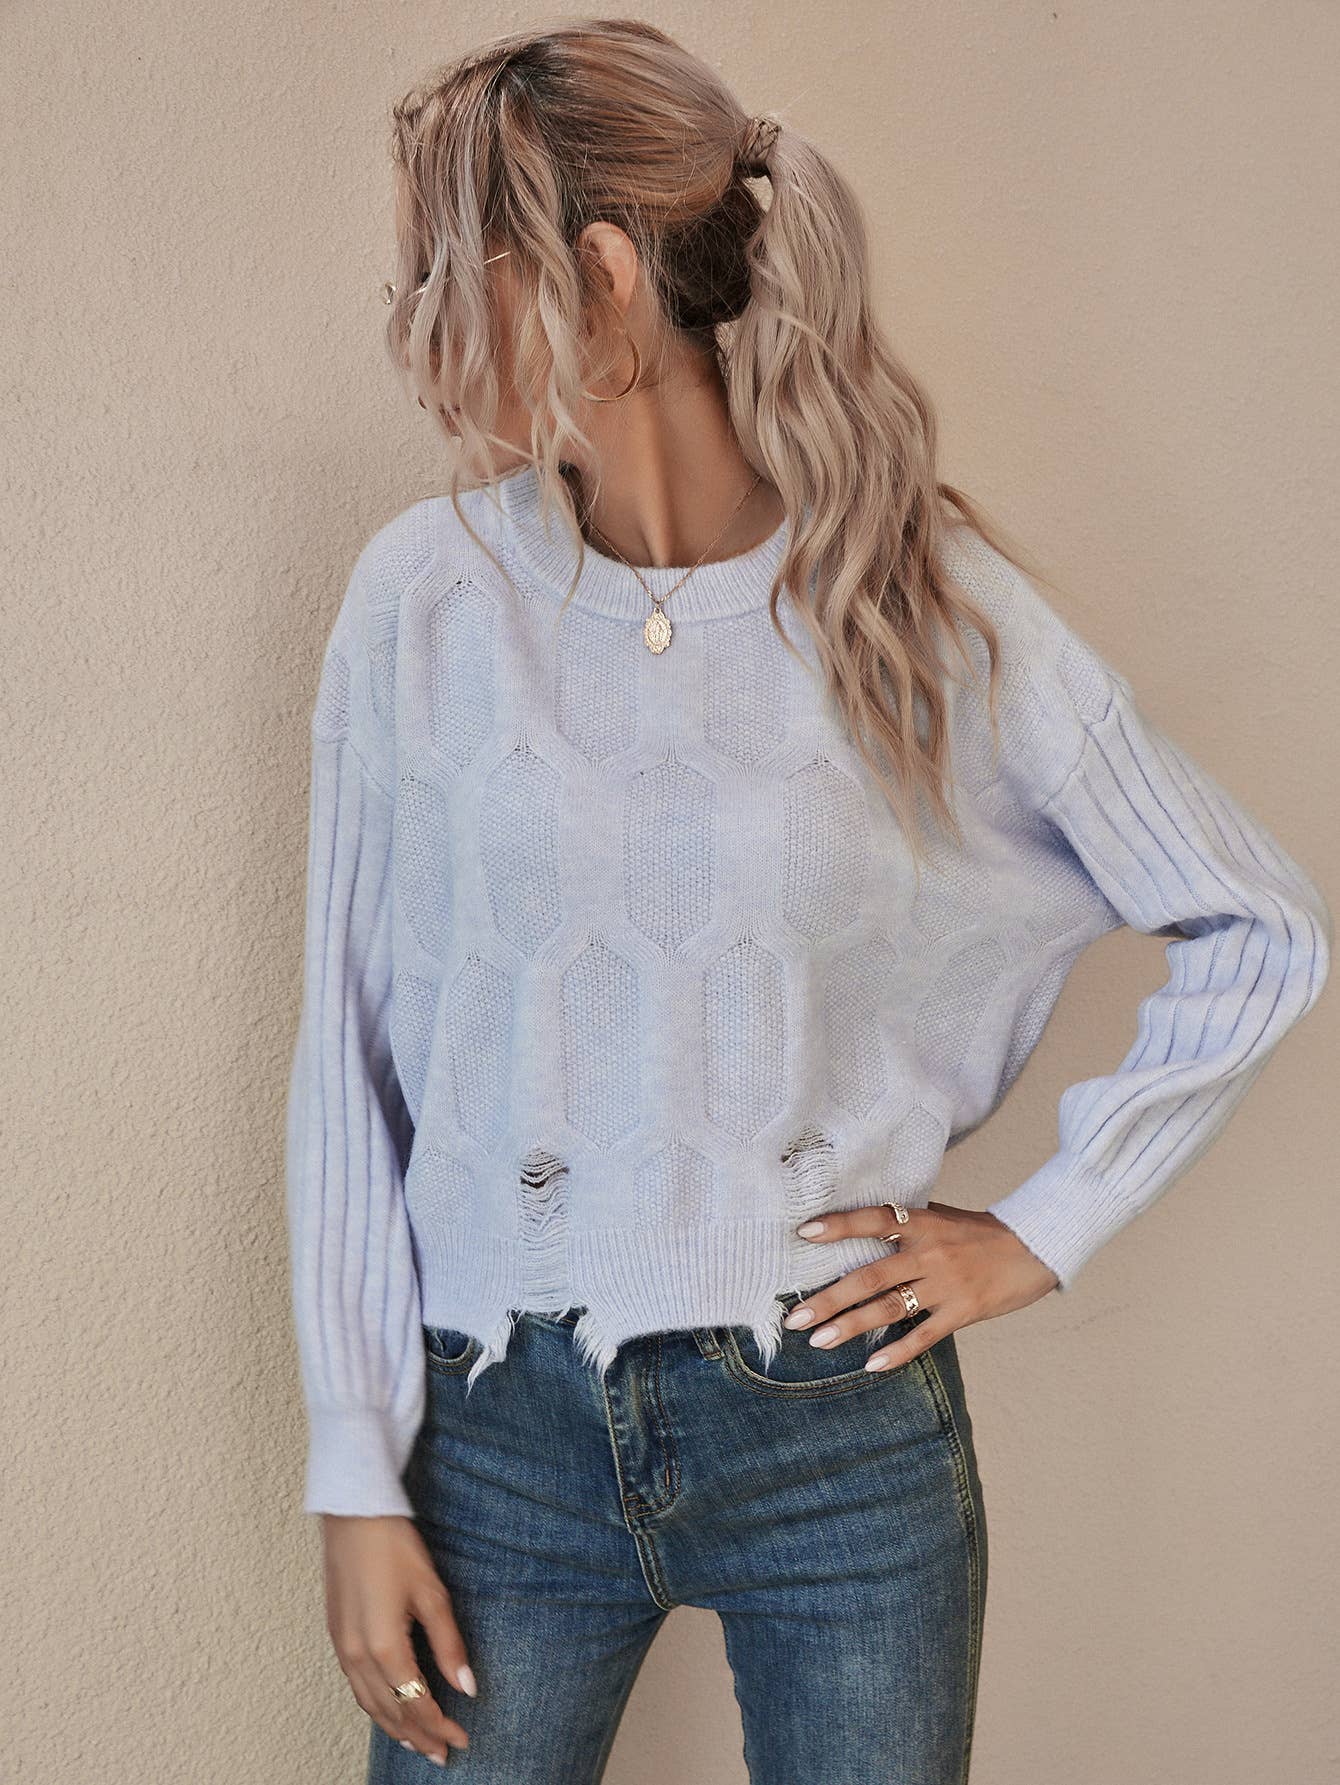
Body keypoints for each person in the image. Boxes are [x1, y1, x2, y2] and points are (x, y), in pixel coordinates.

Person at [283, 19, 1331, 1782]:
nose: (410, 320)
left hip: (836, 1436)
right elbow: (349, 1050)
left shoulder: (918, 601)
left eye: (445, 269)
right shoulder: (424, 602)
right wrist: (351, 1469)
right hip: (496, 1435)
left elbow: (1262, 926)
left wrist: (1040, 1230)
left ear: (600, 276)